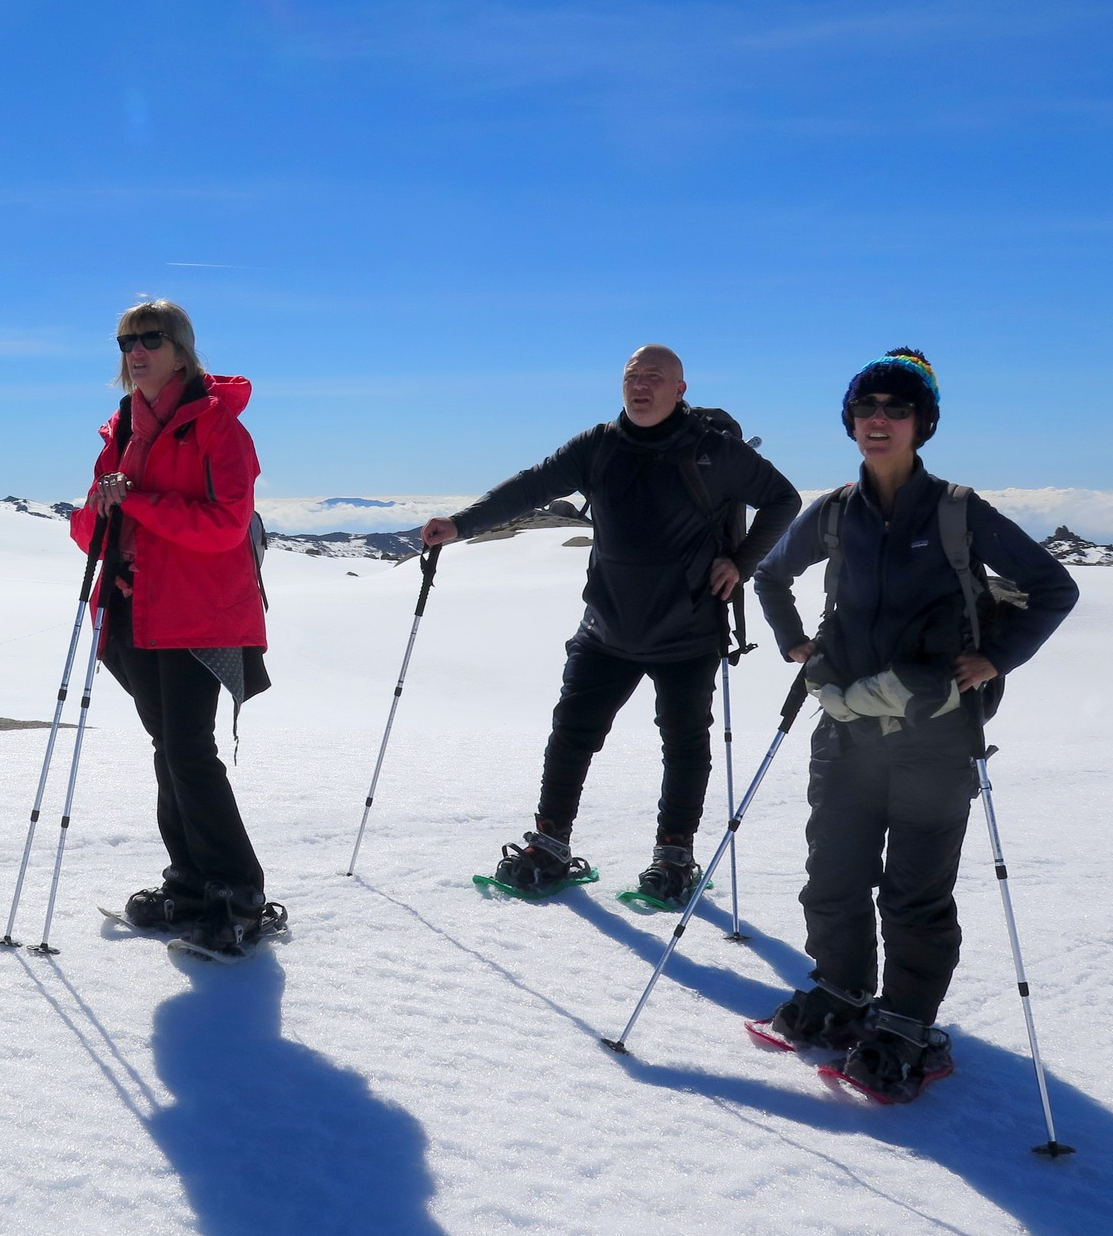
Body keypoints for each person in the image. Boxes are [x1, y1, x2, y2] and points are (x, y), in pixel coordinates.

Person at [753, 347, 1077, 1100]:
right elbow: (771, 574)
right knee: (833, 874)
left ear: (922, 423)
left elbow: (1052, 588)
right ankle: (841, 991)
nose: (878, 420)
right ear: (850, 421)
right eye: (866, 408)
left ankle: (906, 1022)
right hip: (844, 733)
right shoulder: (834, 511)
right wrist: (794, 643)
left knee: (914, 892)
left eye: (896, 409)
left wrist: (994, 658)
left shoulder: (959, 512)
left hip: (935, 739)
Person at [421, 345, 801, 902]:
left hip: (687, 630)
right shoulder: (599, 446)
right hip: (607, 626)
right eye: (632, 377)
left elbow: (782, 500)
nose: (640, 386)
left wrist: (739, 563)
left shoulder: (714, 451)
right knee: (572, 732)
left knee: (684, 742)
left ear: (680, 389)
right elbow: (531, 486)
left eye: (654, 378)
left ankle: (674, 856)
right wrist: (461, 525)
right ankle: (550, 843)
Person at [72, 299, 280, 956]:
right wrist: (103, 507)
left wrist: (134, 500)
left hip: (198, 612)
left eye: (151, 339)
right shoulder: (121, 427)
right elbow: (89, 532)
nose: (136, 351)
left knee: (187, 749)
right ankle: (191, 884)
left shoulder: (218, 426)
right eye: (126, 341)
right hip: (136, 609)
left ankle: (238, 892)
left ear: (183, 350)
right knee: (171, 747)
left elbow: (223, 526)